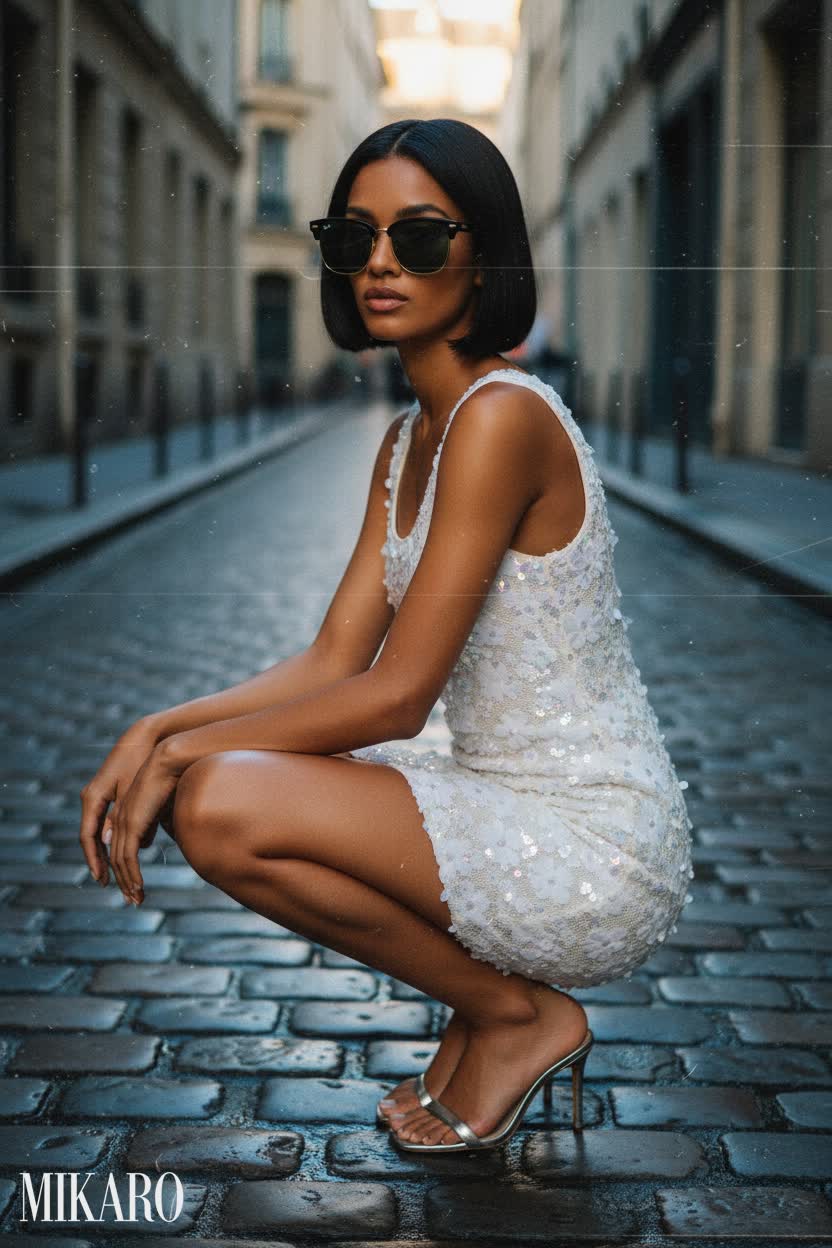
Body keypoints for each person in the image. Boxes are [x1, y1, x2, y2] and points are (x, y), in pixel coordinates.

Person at [79, 118, 694, 1154]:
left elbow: (398, 697)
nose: (378, 262)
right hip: (498, 795)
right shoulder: (412, 436)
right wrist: (157, 728)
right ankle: (491, 1007)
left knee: (219, 801)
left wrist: (184, 756)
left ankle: (511, 1015)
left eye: (417, 237)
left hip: (591, 839)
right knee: (212, 780)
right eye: (353, 236)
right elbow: (332, 662)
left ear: (483, 255)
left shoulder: (499, 418)